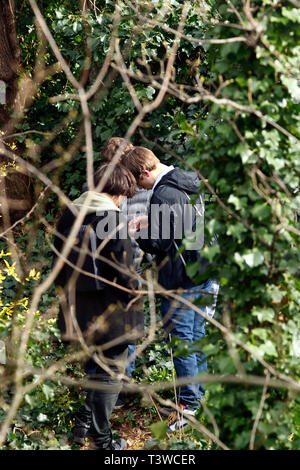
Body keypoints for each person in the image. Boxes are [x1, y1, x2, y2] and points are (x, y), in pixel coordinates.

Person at [122, 146, 219, 432]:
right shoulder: (183, 181)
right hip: (204, 270)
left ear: (145, 173)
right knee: (197, 336)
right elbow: (182, 223)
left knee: (182, 342)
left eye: (137, 181)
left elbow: (161, 243)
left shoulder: (162, 194)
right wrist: (150, 221)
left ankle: (188, 407)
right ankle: (199, 395)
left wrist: (138, 234)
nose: (137, 188)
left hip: (180, 279)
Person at [53, 163, 143, 449]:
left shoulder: (69, 214)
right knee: (111, 373)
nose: (123, 201)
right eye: (123, 195)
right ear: (116, 192)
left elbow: (57, 266)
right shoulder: (112, 218)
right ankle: (101, 442)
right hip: (111, 312)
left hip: (78, 310)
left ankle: (83, 424)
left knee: (99, 370)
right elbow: (127, 272)